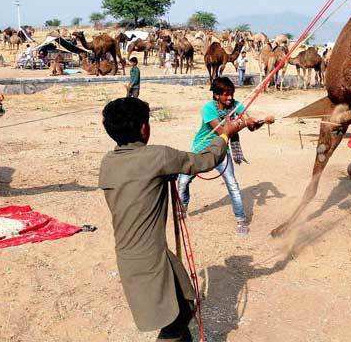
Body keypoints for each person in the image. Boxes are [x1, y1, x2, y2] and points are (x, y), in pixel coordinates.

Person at [99, 97, 246, 341]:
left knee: (185, 306)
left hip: (132, 257)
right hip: (151, 259)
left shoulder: (108, 163)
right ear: (144, 128)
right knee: (174, 323)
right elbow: (204, 161)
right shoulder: (158, 157)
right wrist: (225, 135)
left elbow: (140, 181)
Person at [177, 77, 273, 236]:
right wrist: (248, 122)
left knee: (233, 185)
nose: (230, 98)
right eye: (226, 94)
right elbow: (224, 132)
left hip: (221, 150)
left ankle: (241, 220)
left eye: (231, 94)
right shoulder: (208, 108)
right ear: (216, 95)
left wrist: (262, 121)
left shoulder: (237, 106)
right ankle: (184, 206)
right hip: (201, 149)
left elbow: (251, 126)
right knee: (183, 180)